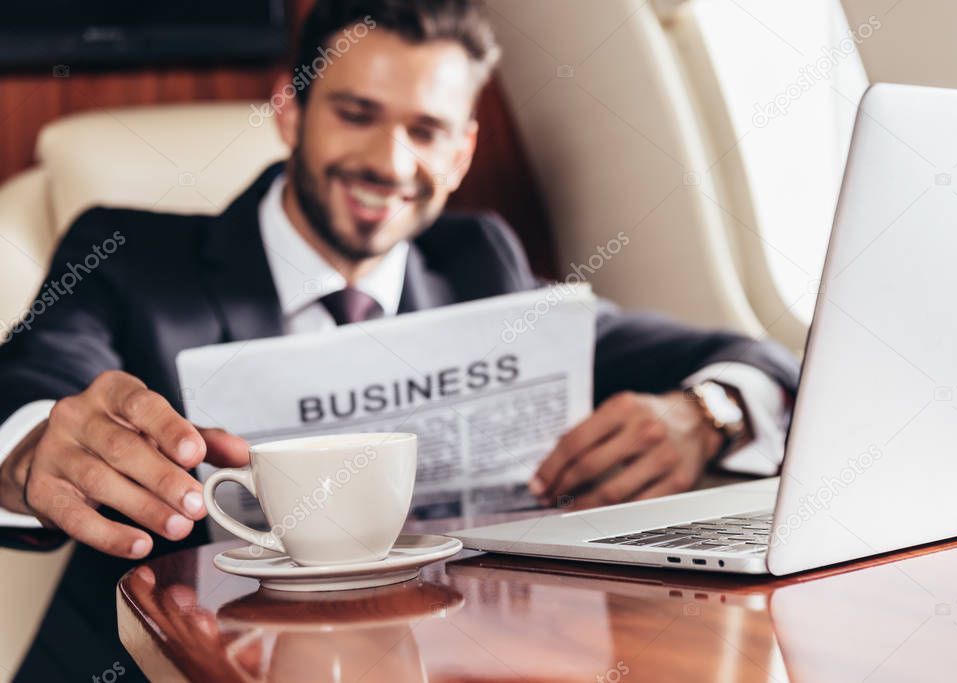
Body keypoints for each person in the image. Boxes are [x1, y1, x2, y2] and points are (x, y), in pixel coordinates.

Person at [0, 1, 798, 679]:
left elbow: (757, 356)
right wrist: (35, 448)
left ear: (461, 153)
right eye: (356, 114)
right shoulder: (132, 256)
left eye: (425, 130)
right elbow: (31, 385)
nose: (389, 161)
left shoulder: (480, 262)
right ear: (290, 110)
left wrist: (707, 415)